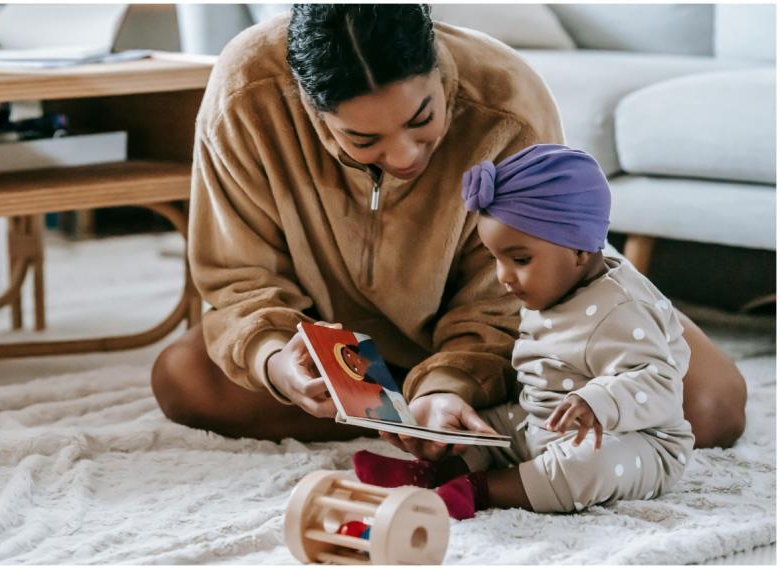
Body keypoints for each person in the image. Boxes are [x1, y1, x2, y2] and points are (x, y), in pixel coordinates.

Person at [150, 5, 746, 451]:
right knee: (183, 380)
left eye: (422, 119)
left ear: (438, 64)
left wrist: (453, 384)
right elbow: (238, 278)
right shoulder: (247, 93)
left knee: (709, 405)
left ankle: (443, 408)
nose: (405, 155)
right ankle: (442, 415)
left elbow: (514, 295)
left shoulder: (506, 99)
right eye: (362, 140)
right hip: (339, 337)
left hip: (514, 334)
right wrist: (277, 362)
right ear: (309, 104)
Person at [353, 145, 694, 518]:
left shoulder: (623, 308)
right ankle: (432, 473)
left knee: (584, 467)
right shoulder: (551, 287)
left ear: (579, 250)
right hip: (541, 420)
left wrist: (598, 401)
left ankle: (479, 491)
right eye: (495, 258)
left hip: (633, 440)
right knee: (484, 429)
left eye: (519, 260)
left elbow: (661, 383)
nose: (503, 277)